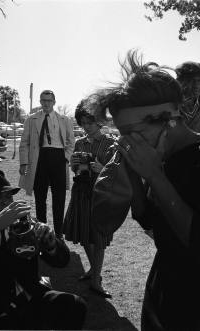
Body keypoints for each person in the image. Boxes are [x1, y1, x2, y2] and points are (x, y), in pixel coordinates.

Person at [95, 50, 200, 330]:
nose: (128, 140)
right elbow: (149, 220)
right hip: (162, 282)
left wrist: (154, 175)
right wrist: (133, 175)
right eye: (122, 133)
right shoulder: (161, 157)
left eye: (131, 131)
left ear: (166, 118)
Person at [0, 168, 87, 329]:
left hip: (29, 302)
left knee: (73, 305)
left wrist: (51, 244)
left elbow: (62, 261)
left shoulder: (25, 226)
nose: (6, 202)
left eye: (8, 196)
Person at [63, 97, 116, 298]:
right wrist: (74, 164)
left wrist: (102, 169)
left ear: (99, 121)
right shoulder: (79, 143)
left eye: (90, 122)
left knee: (99, 239)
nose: (86, 127)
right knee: (84, 235)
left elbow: (116, 174)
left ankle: (96, 280)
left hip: (100, 196)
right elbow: (76, 171)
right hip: (81, 194)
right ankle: (95, 271)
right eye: (82, 123)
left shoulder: (110, 143)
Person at [19, 90, 75, 237]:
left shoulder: (64, 119)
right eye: (43, 100)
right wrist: (23, 162)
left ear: (54, 102)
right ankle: (42, 231)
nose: (46, 103)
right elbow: (24, 142)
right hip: (39, 159)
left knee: (59, 197)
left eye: (49, 100)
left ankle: (58, 233)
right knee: (40, 197)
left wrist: (65, 157)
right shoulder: (31, 119)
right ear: (40, 101)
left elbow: (71, 141)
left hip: (58, 158)